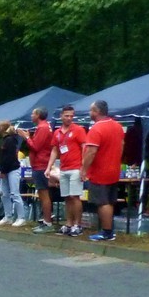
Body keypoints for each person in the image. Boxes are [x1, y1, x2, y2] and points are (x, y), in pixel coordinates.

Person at [80, 100, 125, 241]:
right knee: (110, 200)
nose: (89, 113)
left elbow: (91, 152)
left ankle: (107, 231)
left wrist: (84, 169)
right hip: (114, 168)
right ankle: (108, 229)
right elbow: (122, 145)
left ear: (96, 112)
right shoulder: (117, 126)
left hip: (100, 170)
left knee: (102, 202)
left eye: (91, 110)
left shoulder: (96, 129)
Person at [45, 105, 87, 236]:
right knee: (67, 197)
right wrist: (49, 166)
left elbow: (84, 147)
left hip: (75, 167)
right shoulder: (57, 132)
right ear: (61, 116)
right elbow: (55, 150)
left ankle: (77, 224)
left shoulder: (78, 130)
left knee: (75, 196)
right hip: (63, 168)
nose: (69, 118)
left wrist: (84, 167)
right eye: (66, 116)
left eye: (71, 116)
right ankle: (69, 223)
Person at [17, 108, 55, 232]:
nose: (31, 116)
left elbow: (36, 147)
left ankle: (47, 223)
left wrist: (26, 138)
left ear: (38, 115)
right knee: (43, 194)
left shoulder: (42, 128)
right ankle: (45, 220)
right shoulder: (45, 127)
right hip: (41, 164)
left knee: (44, 195)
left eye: (33, 113)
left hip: (41, 164)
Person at [0, 121, 25, 226]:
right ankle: (8, 216)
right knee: (3, 193)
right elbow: (1, 157)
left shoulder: (10, 140)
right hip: (4, 170)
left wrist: (3, 170)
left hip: (12, 169)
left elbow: (9, 157)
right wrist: (0, 170)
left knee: (15, 193)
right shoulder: (3, 140)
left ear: (3, 128)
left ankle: (21, 217)